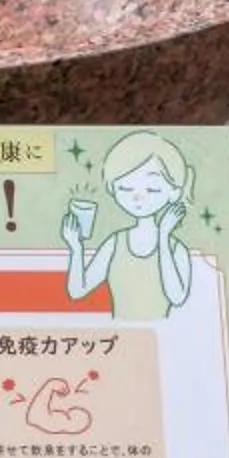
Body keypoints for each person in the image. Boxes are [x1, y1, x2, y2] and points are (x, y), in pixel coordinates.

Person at [61, 131, 197, 321]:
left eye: (152, 189)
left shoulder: (176, 249)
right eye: (125, 188)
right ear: (112, 188)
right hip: (118, 339)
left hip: (162, 340)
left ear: (173, 192)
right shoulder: (116, 243)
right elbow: (77, 290)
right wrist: (76, 247)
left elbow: (177, 297)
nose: (137, 197)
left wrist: (164, 236)